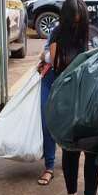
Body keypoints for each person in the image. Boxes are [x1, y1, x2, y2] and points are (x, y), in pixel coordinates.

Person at [49, 0, 98, 195]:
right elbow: (57, 69)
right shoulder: (58, 35)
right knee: (70, 149)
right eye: (73, 21)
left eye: (80, 21)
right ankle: (71, 194)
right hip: (69, 102)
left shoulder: (93, 34)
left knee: (93, 150)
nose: (77, 25)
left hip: (92, 101)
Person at [37, 28, 57, 186]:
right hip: (49, 80)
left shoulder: (86, 32)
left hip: (72, 83)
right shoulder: (56, 30)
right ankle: (49, 166)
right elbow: (46, 55)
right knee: (46, 123)